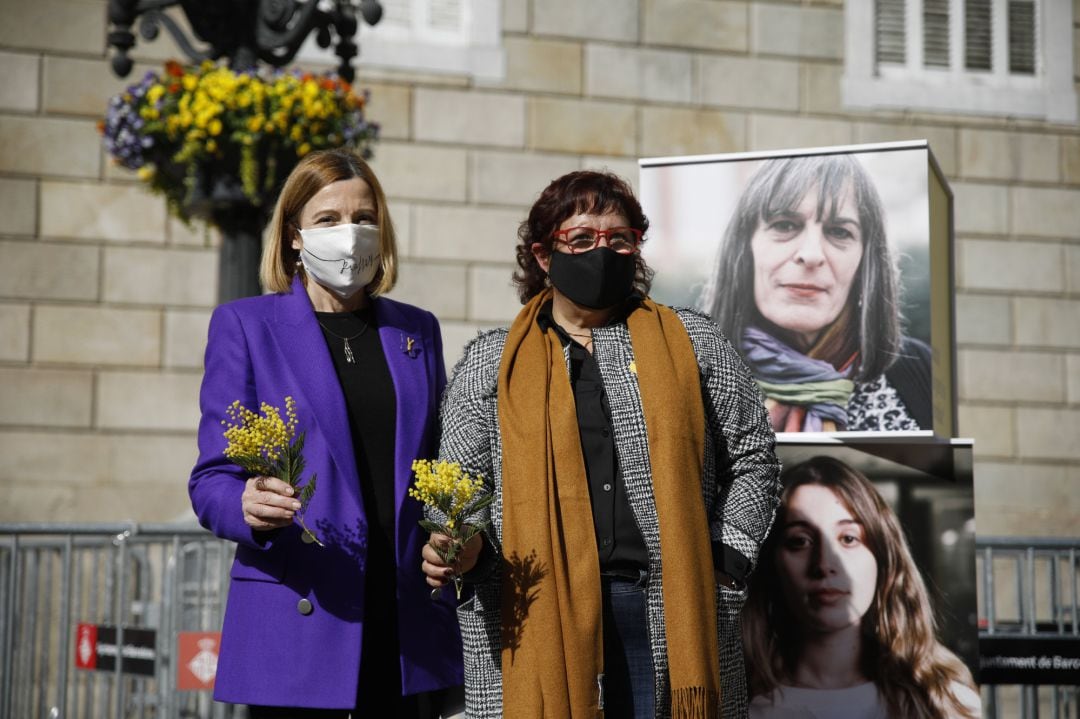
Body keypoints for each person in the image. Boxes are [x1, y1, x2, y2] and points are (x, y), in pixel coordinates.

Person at [421, 170, 782, 718]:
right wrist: (464, 546)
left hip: (669, 611)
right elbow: (459, 487)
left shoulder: (692, 341)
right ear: (545, 256)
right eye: (583, 239)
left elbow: (754, 458)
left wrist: (723, 560)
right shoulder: (491, 362)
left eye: (620, 239)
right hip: (534, 612)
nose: (604, 251)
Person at [188, 148, 464, 717]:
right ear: (294, 235)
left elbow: (441, 465)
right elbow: (211, 479)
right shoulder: (246, 325)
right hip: (303, 623)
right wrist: (246, 503)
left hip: (406, 628)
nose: (351, 234)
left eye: (364, 218)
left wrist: (453, 533)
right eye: (328, 220)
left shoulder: (416, 331)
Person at [697, 155, 931, 433]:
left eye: (838, 231)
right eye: (785, 225)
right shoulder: (690, 379)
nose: (811, 254)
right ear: (744, 248)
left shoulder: (919, 370)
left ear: (865, 261)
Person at [743, 455, 981, 719]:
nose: (824, 564)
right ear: (771, 563)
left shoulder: (947, 702)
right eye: (800, 541)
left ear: (882, 559)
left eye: (848, 538)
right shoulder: (738, 706)